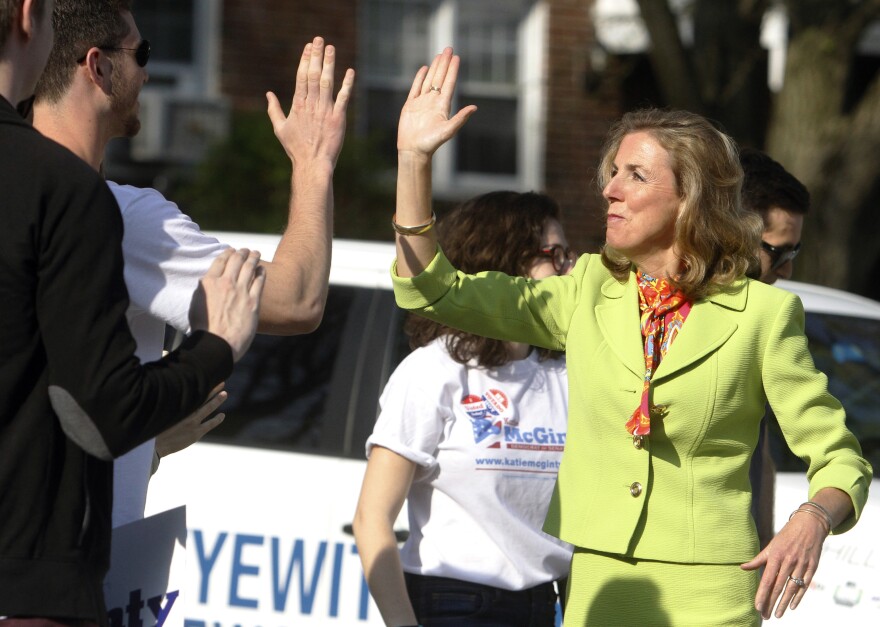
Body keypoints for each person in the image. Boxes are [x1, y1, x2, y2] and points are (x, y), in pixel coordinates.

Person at [388, 48, 871, 625]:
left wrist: (813, 516)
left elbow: (840, 458)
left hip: (712, 596)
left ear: (690, 197)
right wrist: (413, 162)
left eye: (635, 175)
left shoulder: (763, 315)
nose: (610, 190)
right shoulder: (587, 286)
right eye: (612, 173)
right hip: (598, 587)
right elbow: (435, 290)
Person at [32, 0, 354, 527]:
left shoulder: (19, 196)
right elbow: (296, 301)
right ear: (98, 66)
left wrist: (142, 444)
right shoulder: (123, 218)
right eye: (142, 52)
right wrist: (313, 161)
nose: (148, 71)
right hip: (60, 580)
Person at [0, 0, 264, 622]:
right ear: (29, 17)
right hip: (28, 583)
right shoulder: (62, 188)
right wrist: (216, 348)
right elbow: (103, 408)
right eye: (139, 55)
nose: (147, 71)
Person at [353, 191, 575, 627]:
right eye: (557, 254)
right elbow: (371, 517)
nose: (572, 268)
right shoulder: (435, 370)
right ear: (505, 260)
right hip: (453, 603)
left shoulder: (563, 373)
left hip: (543, 605)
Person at [740, 147, 811, 549]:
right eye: (777, 251)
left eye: (794, 252)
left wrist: (763, 545)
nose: (786, 270)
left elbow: (760, 456)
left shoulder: (767, 319)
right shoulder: (657, 312)